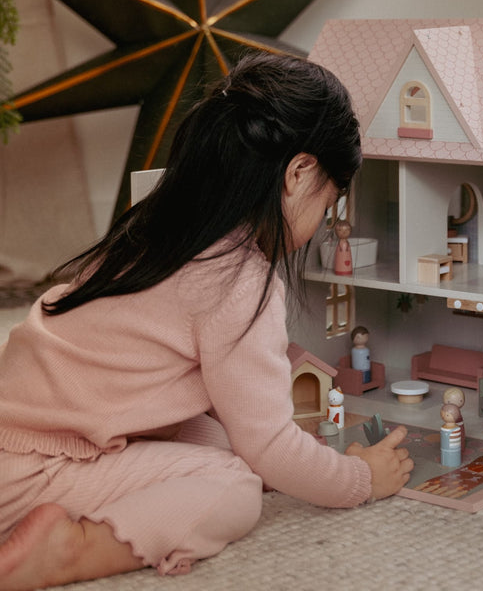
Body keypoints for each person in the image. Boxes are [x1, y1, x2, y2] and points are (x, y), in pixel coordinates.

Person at [0, 53, 413, 589]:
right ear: (299, 173)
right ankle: (69, 550)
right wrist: (359, 479)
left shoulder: (155, 229)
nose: (320, 227)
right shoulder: (237, 279)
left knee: (217, 438)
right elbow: (268, 447)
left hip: (25, 438)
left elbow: (227, 416)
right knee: (233, 485)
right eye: (329, 205)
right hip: (35, 471)